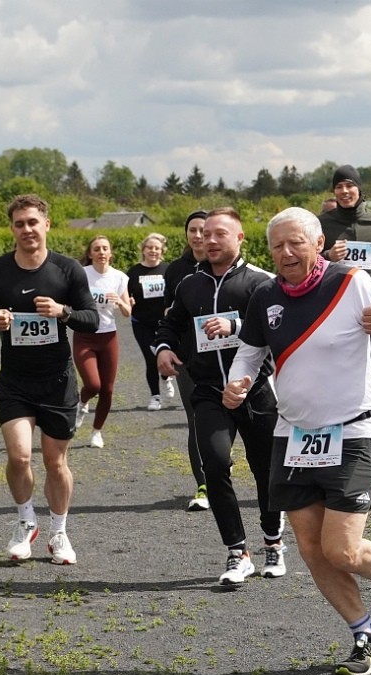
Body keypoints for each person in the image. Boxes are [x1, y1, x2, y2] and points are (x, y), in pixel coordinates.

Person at [224, 207, 371, 675]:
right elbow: (249, 352)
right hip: (293, 435)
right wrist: (239, 380)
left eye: (296, 242)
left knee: (343, 551)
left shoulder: (352, 282)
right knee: (312, 549)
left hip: (353, 430)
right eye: (277, 245)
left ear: (318, 244)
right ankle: (367, 636)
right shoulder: (265, 296)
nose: (286, 252)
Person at [154, 208, 288, 587]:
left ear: (240, 237)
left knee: (266, 470)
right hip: (209, 392)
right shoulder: (189, 285)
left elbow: (279, 326)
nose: (208, 240)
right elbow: (170, 324)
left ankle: (273, 542)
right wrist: (164, 348)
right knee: (214, 464)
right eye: (204, 234)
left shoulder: (262, 283)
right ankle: (237, 552)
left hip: (254, 390)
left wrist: (236, 325)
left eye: (219, 234)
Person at [0, 194, 99, 565]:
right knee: (19, 455)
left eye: (33, 222)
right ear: (12, 228)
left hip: (57, 381)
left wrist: (63, 312)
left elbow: (92, 318)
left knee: (56, 463)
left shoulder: (67, 269)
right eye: (19, 223)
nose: (27, 229)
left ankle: (59, 531)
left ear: (47, 225)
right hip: (15, 381)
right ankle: (26, 522)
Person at [317, 164, 371, 387]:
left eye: (349, 185)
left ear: (359, 189)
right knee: (336, 379)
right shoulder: (322, 224)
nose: (344, 191)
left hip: (370, 308)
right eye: (339, 187)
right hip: (334, 309)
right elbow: (308, 262)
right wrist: (328, 255)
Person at [163, 211, 211, 512]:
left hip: (224, 355)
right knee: (196, 419)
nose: (198, 235)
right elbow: (168, 312)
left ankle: (222, 461)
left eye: (203, 230)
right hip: (187, 355)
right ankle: (204, 484)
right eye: (192, 230)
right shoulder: (175, 270)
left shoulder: (225, 266)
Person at [74, 235, 133, 448]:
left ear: (110, 253)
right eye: (97, 249)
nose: (101, 252)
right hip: (84, 335)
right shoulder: (81, 274)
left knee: (107, 389)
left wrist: (120, 302)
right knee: (93, 385)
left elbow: (127, 312)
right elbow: (69, 299)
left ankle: (96, 432)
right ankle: (82, 403)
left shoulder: (119, 277)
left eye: (105, 248)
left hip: (108, 336)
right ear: (90, 254)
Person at [125, 233, 170, 412]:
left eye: (157, 248)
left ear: (162, 251)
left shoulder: (168, 269)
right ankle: (155, 397)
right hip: (141, 323)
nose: (153, 251)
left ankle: (166, 377)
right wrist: (128, 301)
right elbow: (125, 294)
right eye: (150, 247)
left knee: (168, 355)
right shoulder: (133, 272)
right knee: (151, 359)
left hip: (165, 323)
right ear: (143, 250)